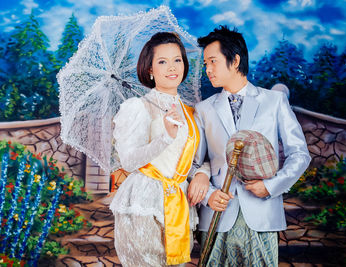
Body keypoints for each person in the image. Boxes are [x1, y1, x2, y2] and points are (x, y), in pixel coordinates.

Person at [187, 26, 311, 266]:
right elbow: (193, 163)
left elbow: (300, 154)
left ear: (235, 61)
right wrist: (209, 195)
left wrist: (272, 185)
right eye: (205, 64)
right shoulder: (203, 109)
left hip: (262, 213)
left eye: (212, 61)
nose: (207, 70)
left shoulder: (274, 101)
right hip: (217, 216)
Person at [109, 32, 209, 267]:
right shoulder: (138, 107)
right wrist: (165, 137)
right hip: (144, 202)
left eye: (177, 60)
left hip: (179, 202)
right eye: (162, 61)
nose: (172, 67)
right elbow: (129, 161)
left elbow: (201, 158)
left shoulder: (192, 112)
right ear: (150, 69)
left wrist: (203, 173)